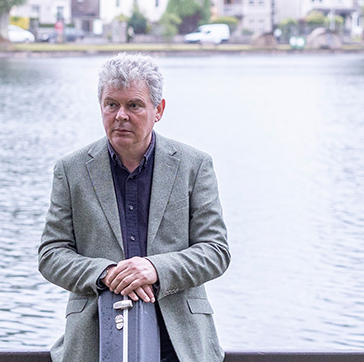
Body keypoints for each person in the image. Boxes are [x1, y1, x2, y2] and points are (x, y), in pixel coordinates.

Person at [38, 53, 231, 362]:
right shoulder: (70, 169)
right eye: (111, 104)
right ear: (100, 106)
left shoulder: (194, 166)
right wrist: (104, 273)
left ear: (159, 110)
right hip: (94, 341)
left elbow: (216, 251)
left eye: (134, 105)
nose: (120, 116)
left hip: (180, 343)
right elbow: (51, 254)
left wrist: (155, 268)